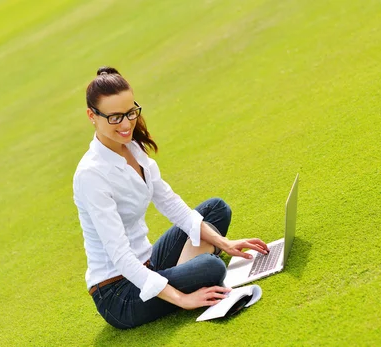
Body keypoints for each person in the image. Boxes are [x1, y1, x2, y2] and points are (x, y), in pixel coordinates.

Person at [73, 66, 270, 329]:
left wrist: (225, 243)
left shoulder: (131, 147)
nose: (126, 124)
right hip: (119, 292)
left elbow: (169, 201)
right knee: (212, 269)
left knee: (216, 210)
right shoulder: (91, 175)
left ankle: (187, 269)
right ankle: (189, 273)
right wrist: (182, 299)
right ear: (92, 116)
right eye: (115, 117)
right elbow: (119, 255)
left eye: (131, 113)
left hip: (148, 263)